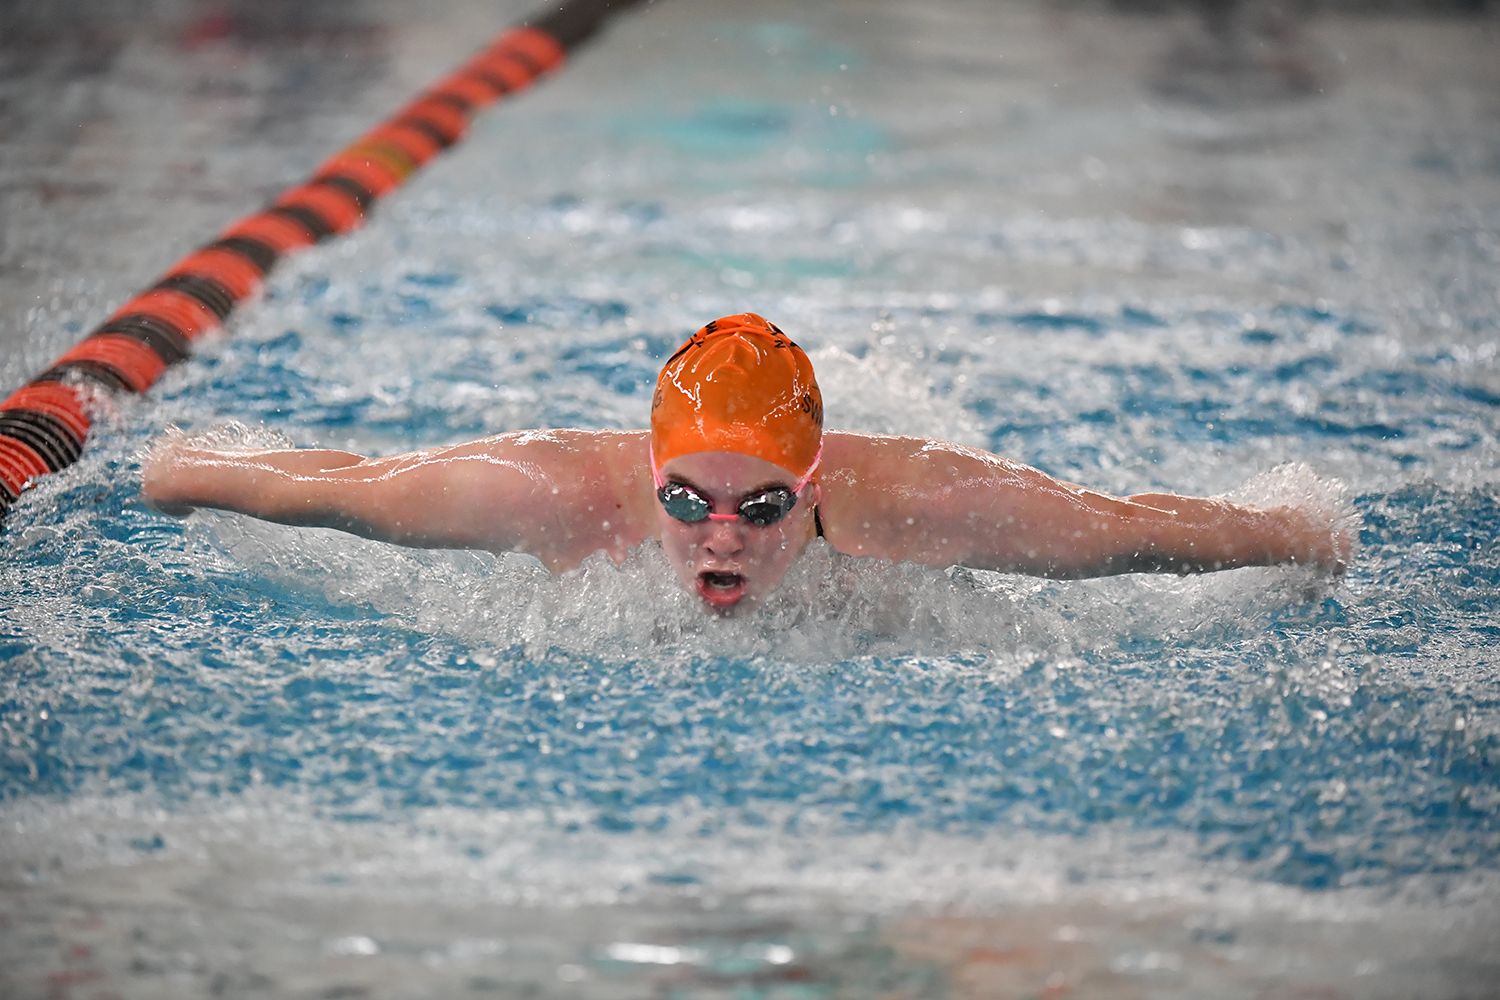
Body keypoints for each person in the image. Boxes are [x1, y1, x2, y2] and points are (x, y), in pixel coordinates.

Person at [141, 313, 1348, 613]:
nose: (721, 535)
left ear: (817, 488)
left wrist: (1294, 532)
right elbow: (347, 487)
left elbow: (1118, 524)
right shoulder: (552, 495)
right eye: (689, 499)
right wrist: (180, 469)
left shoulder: (918, 504)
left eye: (763, 506)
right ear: (648, 478)